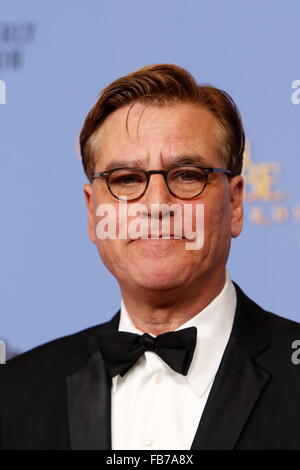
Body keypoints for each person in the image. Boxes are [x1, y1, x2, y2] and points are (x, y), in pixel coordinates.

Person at [0, 64, 300, 450]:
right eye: (126, 179)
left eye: (188, 175)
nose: (157, 204)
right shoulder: (15, 392)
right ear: (93, 214)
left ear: (236, 203)